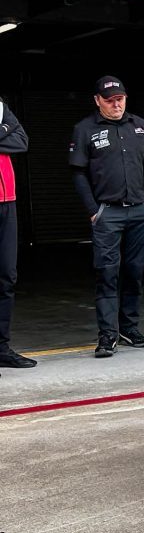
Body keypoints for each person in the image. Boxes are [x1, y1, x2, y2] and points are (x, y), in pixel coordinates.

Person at [69, 76, 144, 357]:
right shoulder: (85, 129)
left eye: (120, 98)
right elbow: (78, 173)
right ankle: (107, 334)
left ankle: (128, 328)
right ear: (97, 101)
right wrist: (94, 211)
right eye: (109, 100)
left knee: (135, 271)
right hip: (107, 213)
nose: (116, 104)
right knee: (107, 274)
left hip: (138, 211)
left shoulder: (139, 126)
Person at [0, 99, 35, 369]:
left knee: (7, 277)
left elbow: (21, 141)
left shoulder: (0, 106)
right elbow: (11, 137)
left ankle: (1, 347)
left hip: (7, 202)